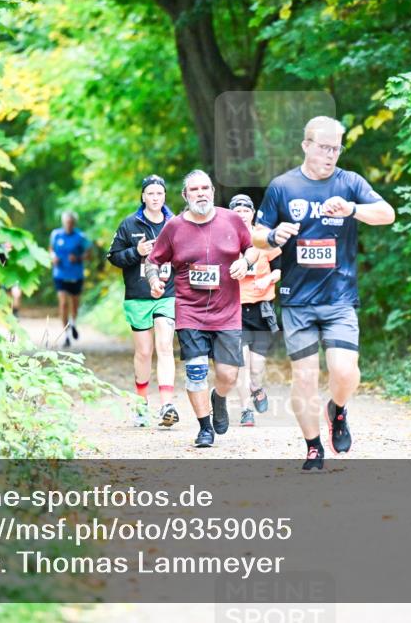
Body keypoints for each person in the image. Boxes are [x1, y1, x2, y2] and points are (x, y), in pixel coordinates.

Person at [254, 116, 395, 470]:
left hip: (339, 298)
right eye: (324, 148)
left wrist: (353, 210)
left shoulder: (349, 183)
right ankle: (313, 446)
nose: (331, 155)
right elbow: (256, 233)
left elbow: (387, 214)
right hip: (297, 300)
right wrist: (273, 237)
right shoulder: (283, 187)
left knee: (345, 372)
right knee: (304, 376)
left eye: (336, 148)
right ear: (306, 145)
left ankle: (338, 408)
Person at [145, 170, 259, 448]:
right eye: (194, 189)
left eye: (205, 188)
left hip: (227, 312)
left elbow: (252, 249)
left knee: (228, 374)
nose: (201, 193)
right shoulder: (173, 227)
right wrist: (153, 281)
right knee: (196, 372)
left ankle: (218, 399)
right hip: (190, 312)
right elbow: (153, 261)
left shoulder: (231, 220)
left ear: (212, 192)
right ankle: (204, 427)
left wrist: (245, 263)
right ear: (185, 196)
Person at [107, 175, 180, 428]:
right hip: (138, 295)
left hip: (167, 294)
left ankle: (167, 405)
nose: (155, 198)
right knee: (144, 352)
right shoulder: (129, 224)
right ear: (143, 196)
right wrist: (135, 252)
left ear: (164, 196)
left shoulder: (175, 223)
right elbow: (113, 256)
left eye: (159, 194)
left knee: (165, 346)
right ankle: (141, 404)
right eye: (150, 193)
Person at [229, 193, 281, 427]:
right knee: (241, 364)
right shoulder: (224, 239)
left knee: (256, 368)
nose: (241, 214)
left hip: (261, 308)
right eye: (236, 210)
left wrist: (268, 278)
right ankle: (245, 410)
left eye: (245, 210)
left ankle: (256, 387)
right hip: (234, 308)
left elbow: (281, 269)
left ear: (252, 213)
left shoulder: (263, 238)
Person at [49, 211, 90, 348]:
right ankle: (66, 335)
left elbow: (89, 254)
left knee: (74, 303)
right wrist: (53, 257)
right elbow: (51, 249)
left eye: (71, 223)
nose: (69, 225)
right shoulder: (56, 234)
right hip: (60, 274)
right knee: (63, 303)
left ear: (74, 223)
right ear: (63, 222)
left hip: (76, 274)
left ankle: (73, 322)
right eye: (67, 222)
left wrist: (78, 258)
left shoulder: (80, 236)